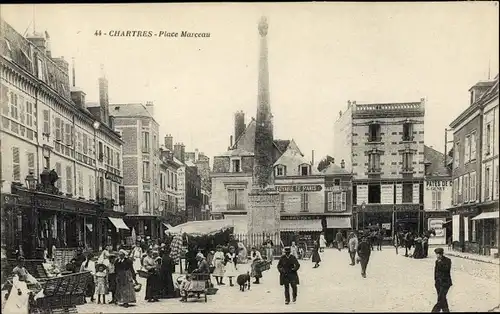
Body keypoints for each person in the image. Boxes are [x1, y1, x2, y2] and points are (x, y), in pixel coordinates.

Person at [432, 248, 452, 313]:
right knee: (442, 299)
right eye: (436, 254)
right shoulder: (437, 261)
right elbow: (436, 272)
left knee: (440, 299)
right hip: (438, 284)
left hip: (445, 283)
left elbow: (446, 270)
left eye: (439, 254)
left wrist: (440, 262)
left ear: (442, 254)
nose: (437, 256)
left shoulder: (448, 261)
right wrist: (436, 281)